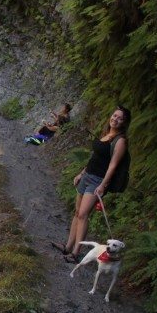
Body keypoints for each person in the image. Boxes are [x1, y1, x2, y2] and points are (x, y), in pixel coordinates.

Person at [52, 106, 131, 262]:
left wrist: (103, 185)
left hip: (97, 181)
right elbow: (94, 157)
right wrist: (81, 173)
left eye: (120, 118)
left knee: (83, 215)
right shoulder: (106, 134)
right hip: (87, 176)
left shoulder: (120, 141)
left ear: (124, 122)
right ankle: (67, 247)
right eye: (114, 115)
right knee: (77, 212)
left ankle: (76, 253)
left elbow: (113, 165)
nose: (115, 119)